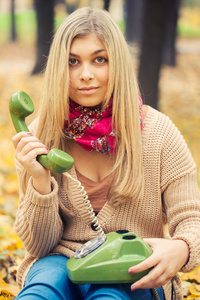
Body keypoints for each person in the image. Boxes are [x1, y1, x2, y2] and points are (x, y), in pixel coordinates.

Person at [12, 7, 200, 300]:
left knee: (110, 295)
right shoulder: (40, 135)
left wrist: (183, 247)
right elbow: (38, 246)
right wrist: (39, 182)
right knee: (41, 292)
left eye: (100, 60)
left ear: (118, 64)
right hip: (59, 264)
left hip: (132, 267)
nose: (85, 75)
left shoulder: (160, 134)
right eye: (73, 62)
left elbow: (192, 220)